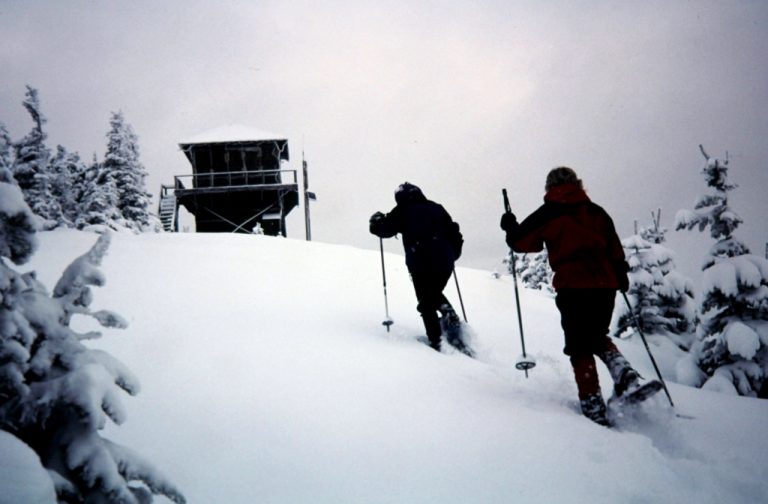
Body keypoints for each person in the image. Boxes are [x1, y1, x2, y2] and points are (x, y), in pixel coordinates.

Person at [500, 166, 642, 426]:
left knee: (579, 345)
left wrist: (510, 227)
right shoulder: (596, 212)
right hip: (604, 283)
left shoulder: (550, 212)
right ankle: (622, 370)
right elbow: (614, 247)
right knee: (596, 336)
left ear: (549, 187)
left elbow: (522, 243)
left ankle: (592, 403)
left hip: (573, 284)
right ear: (577, 184)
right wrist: (620, 275)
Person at [370, 182, 464, 352]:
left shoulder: (403, 211)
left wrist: (375, 223)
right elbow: (454, 231)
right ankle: (450, 324)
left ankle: (437, 340)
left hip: (420, 261)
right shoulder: (437, 208)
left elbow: (384, 229)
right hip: (444, 261)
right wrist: (452, 254)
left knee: (426, 300)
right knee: (432, 295)